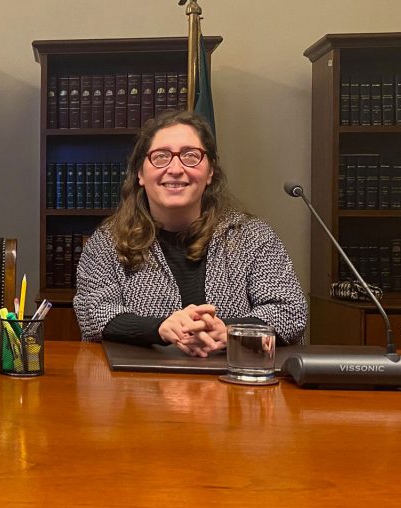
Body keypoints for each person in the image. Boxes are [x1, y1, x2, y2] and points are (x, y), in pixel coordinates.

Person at [73, 111, 307, 356]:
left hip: (235, 377)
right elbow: (92, 312)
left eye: (190, 156)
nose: (175, 169)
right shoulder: (108, 241)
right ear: (140, 173)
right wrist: (161, 328)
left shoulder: (253, 236)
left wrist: (229, 331)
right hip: (139, 378)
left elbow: (290, 311)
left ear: (210, 172)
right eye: (161, 156)